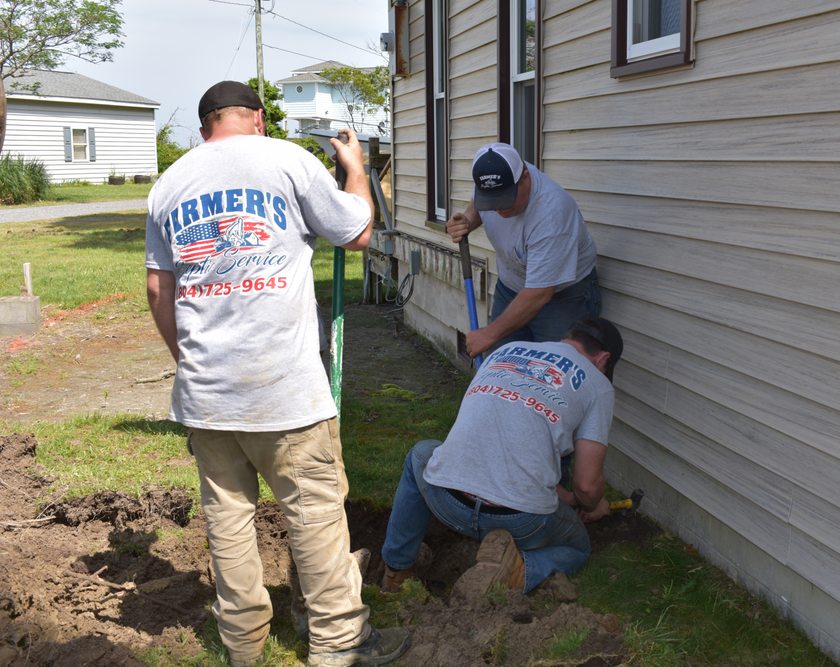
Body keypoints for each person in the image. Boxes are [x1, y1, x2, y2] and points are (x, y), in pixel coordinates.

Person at [145, 80, 409, 667]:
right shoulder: (288, 160)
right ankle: (338, 642)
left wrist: (188, 364)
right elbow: (358, 232)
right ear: (258, 118)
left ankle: (243, 644)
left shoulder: (169, 183)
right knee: (314, 515)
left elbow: (158, 289)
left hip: (207, 394)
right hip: (285, 389)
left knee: (228, 521)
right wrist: (355, 169)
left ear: (204, 127)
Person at [379, 318, 624, 596]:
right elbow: (587, 486)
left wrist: (568, 499)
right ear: (604, 359)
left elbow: (499, 447)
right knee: (578, 547)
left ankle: (397, 570)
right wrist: (592, 505)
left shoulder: (505, 351)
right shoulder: (598, 385)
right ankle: (517, 571)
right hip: (520, 521)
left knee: (421, 453)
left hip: (447, 502)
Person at [445, 142, 601, 359]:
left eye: (505, 200)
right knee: (504, 365)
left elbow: (539, 293)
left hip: (562, 298)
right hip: (511, 288)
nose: (498, 208)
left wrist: (489, 334)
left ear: (525, 177)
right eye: (491, 200)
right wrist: (467, 221)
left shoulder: (552, 214)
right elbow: (477, 206)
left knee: (551, 370)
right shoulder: (493, 176)